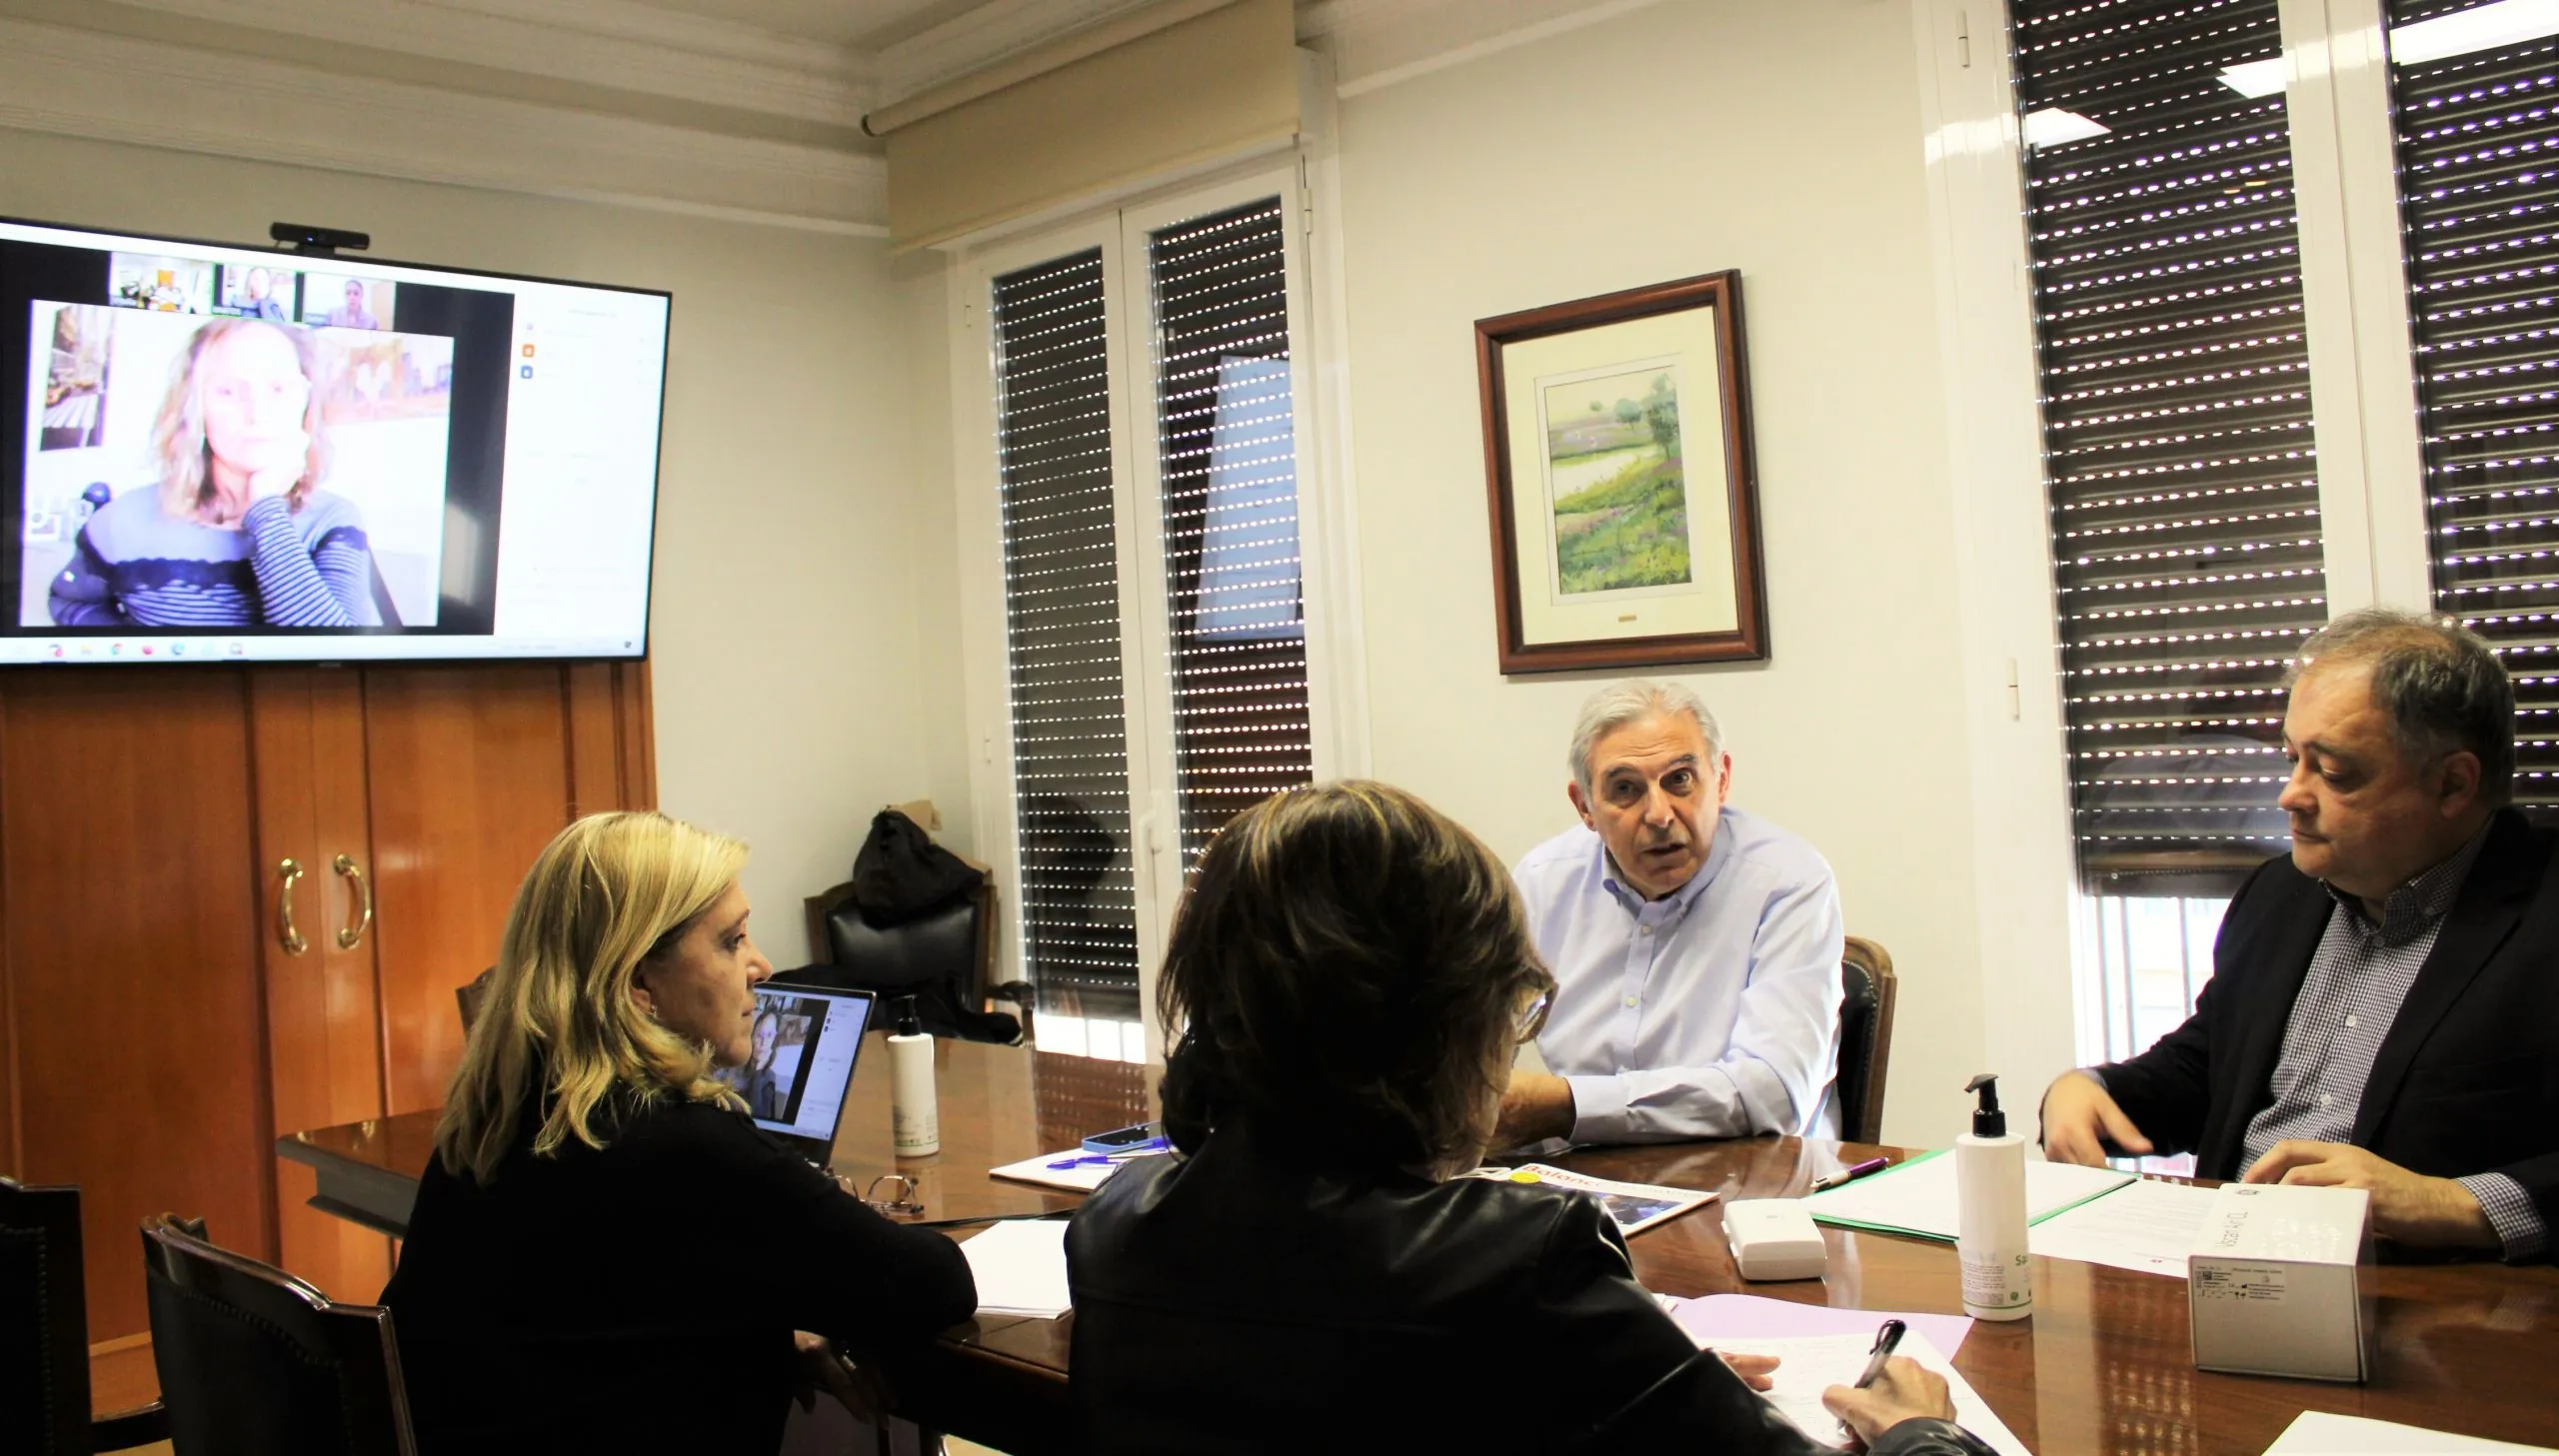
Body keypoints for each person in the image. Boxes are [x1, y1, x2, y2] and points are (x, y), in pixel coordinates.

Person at [1066, 780, 1991, 1453]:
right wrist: (1919, 1431)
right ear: (1433, 1028)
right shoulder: (1524, 1261)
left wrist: (1642, 1363)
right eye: (1512, 1010)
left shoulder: (1113, 1226)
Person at [383, 812, 977, 1453]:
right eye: (731, 941)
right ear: (639, 980)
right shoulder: (687, 1146)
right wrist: (780, 1308)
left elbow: (611, 1311)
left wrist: (759, 1317)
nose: (761, 965)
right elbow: (934, 1286)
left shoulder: (496, 1121)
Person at [2040, 610, 2559, 1262]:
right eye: (2293, 759)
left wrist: (2454, 1203)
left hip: (2438, 1296)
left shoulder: (2541, 907)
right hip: (2230, 1269)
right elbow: (2208, 1067)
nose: (2291, 795)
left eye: (2334, 772)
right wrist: (2093, 1089)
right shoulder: (2280, 893)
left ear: (2453, 784)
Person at [1496, 681, 1844, 1147]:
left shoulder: (1787, 882)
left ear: (1721, 780)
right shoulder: (1544, 881)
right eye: (1625, 789)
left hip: (1745, 1173)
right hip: (1580, 1170)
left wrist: (1568, 1106)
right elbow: (1475, 1044)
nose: (1659, 815)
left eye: (1680, 780)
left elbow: (1776, 1095)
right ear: (1585, 807)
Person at [48, 317, 379, 629]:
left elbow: (337, 654)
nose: (257, 413)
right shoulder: (120, 521)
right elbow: (69, 602)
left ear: (304, 401)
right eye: (228, 391)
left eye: (277, 389)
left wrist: (266, 510)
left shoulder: (333, 521)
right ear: (194, 407)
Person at [744, 1005, 784, 1119]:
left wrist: (759, 1069)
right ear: (752, 1036)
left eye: (769, 1036)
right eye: (760, 1034)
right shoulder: (737, 1064)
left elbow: (757, 1114)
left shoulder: (770, 1077)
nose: (763, 1041)